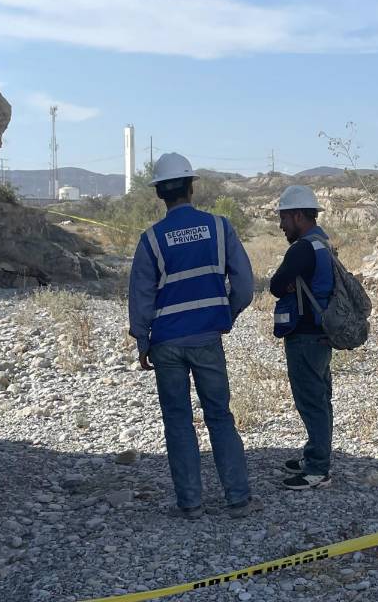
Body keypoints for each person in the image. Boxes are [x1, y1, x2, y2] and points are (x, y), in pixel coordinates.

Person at [128, 152, 257, 518]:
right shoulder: (219, 228)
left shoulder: (151, 239)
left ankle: (190, 504)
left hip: (166, 343)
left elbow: (140, 295)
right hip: (206, 339)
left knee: (178, 421)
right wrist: (224, 314)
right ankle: (238, 500)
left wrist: (142, 340)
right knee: (219, 416)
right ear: (191, 186)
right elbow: (245, 286)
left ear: (159, 194)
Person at [269, 185, 336, 490]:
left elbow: (276, 283)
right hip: (320, 334)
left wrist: (287, 285)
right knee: (320, 399)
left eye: (283, 218)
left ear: (297, 215)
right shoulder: (322, 242)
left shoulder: (303, 248)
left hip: (306, 336)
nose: (281, 225)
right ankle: (314, 457)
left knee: (311, 402)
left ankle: (317, 471)